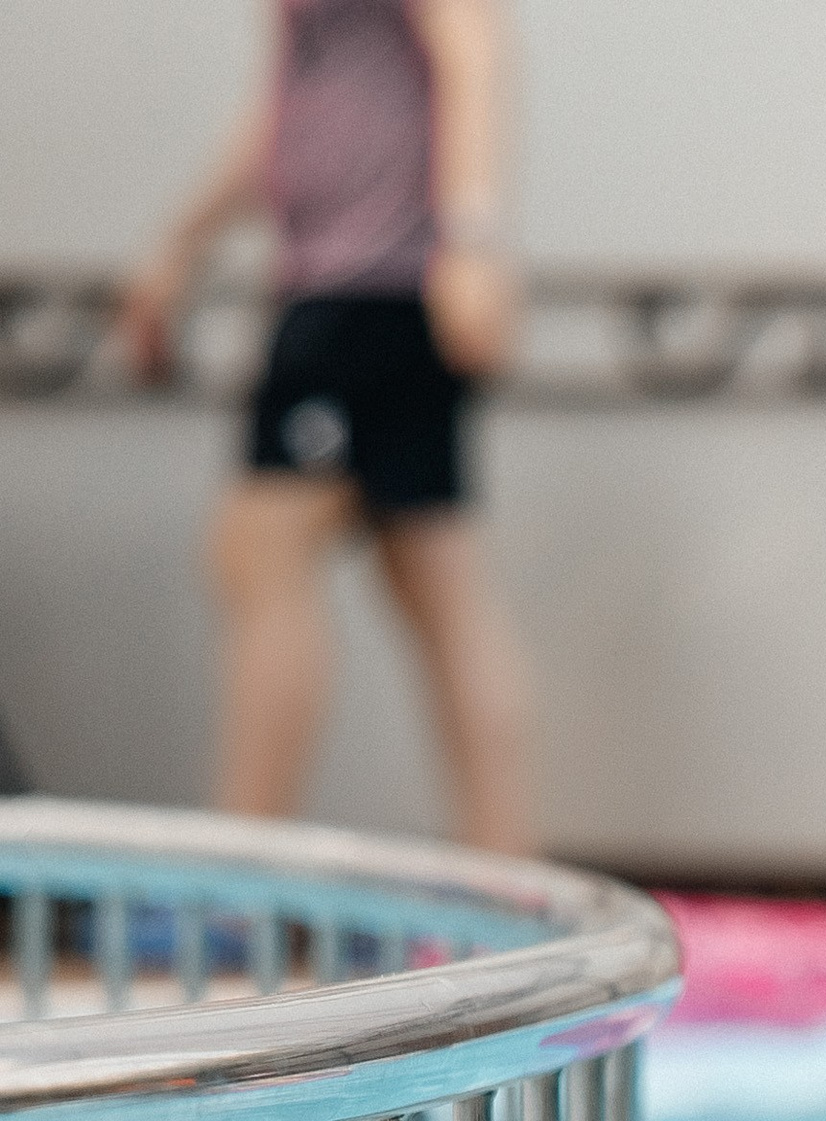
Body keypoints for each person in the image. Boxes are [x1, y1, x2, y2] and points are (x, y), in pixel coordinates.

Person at [120, 0, 534, 854]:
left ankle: (244, 873)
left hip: (377, 287)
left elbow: (475, 43)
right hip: (343, 284)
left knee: (260, 549)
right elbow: (286, 112)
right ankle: (510, 868)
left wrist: (472, 240)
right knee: (435, 578)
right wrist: (178, 246)